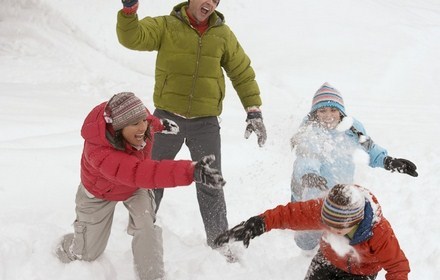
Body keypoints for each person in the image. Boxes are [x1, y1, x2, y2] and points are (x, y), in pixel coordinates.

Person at [116, 0, 267, 253]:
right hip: (166, 120)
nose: (209, 2)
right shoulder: (166, 25)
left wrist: (254, 110)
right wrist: (129, 11)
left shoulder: (222, 35)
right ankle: (138, 233)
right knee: (150, 177)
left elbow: (242, 71)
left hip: (205, 123)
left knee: (210, 182)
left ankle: (220, 242)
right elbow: (133, 37)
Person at [56, 92, 225, 280]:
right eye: (135, 124)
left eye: (143, 122)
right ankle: (67, 244)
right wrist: (190, 171)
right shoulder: (100, 153)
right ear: (118, 129)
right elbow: (140, 172)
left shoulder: (140, 123)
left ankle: (153, 276)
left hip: (134, 188)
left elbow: (146, 119)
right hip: (100, 192)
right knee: (87, 253)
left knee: (146, 226)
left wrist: (159, 125)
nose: (142, 128)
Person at [289, 82, 418, 252]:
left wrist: (388, 161)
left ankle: (334, 258)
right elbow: (306, 157)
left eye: (333, 110)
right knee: (307, 239)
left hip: (340, 192)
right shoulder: (310, 132)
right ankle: (306, 256)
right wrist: (308, 174)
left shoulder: (352, 128)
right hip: (310, 189)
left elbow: (369, 149)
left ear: (341, 112)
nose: (328, 115)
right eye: (322, 111)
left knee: (342, 231)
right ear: (315, 113)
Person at [214, 184, 410, 280]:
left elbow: (398, 267)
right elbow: (289, 214)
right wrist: (258, 224)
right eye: (327, 225)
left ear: (356, 221)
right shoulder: (325, 210)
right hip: (326, 261)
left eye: (338, 228)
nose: (331, 231)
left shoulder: (379, 232)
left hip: (361, 273)